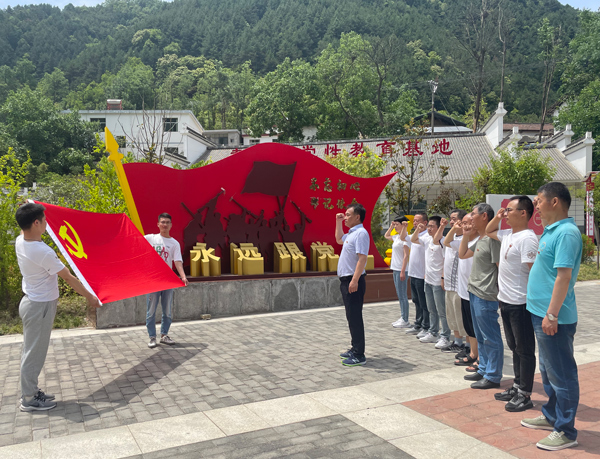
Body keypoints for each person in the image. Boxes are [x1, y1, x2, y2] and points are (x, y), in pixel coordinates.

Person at [15, 203, 100, 412]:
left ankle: (31, 391)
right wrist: (90, 297)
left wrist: (26, 208)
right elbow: (68, 278)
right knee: (34, 353)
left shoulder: (20, 241)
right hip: (40, 307)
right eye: (44, 220)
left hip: (32, 303)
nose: (47, 223)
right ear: (36, 223)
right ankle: (29, 398)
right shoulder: (42, 251)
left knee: (31, 350)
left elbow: (24, 227)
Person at [521, 183, 582, 451]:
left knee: (562, 374)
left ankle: (566, 430)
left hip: (554, 317)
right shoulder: (551, 231)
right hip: (541, 314)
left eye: (539, 200)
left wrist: (552, 314)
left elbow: (564, 276)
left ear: (554, 201)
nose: (536, 205)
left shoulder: (566, 233)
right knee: (548, 371)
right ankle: (552, 416)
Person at [486, 196, 538, 412]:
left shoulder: (528, 238)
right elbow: (488, 230)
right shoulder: (507, 234)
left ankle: (525, 394)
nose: (505, 213)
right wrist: (498, 217)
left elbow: (534, 272)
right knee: (514, 346)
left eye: (509, 210)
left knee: (524, 349)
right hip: (505, 300)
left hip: (520, 302)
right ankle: (517, 386)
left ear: (523, 213)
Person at [459, 203, 502, 390]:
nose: (471, 218)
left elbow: (501, 269)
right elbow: (462, 254)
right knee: (482, 337)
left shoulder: (493, 240)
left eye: (473, 214)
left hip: (486, 295)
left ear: (484, 216)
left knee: (490, 337)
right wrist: (465, 235)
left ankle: (493, 375)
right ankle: (483, 369)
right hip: (474, 293)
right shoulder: (481, 239)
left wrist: (500, 294)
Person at [145, 213, 188, 349]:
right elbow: (134, 241)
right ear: (158, 224)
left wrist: (183, 276)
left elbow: (178, 261)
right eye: (162, 222)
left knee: (167, 310)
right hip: (153, 281)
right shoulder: (151, 238)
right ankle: (152, 337)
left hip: (167, 281)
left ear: (171, 225)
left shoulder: (174, 243)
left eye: (167, 222)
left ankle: (164, 335)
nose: (165, 224)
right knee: (151, 311)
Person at [336, 203, 370, 366]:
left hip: (353, 280)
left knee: (355, 317)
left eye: (348, 215)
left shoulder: (361, 234)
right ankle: (354, 347)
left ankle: (359, 355)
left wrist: (354, 280)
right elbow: (338, 239)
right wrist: (338, 222)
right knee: (351, 316)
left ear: (357, 217)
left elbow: (362, 258)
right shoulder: (352, 233)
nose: (345, 217)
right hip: (347, 280)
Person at [445, 213, 480, 368]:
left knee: (476, 327)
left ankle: (479, 356)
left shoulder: (480, 241)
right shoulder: (463, 241)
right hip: (463, 291)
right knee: (469, 326)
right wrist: (455, 229)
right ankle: (472, 353)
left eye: (468, 222)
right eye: (463, 223)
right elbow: (446, 242)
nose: (465, 226)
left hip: (475, 290)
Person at [411, 216, 449, 348]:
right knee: (431, 309)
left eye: (432, 226)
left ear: (439, 227)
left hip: (438, 282)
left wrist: (443, 278)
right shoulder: (427, 239)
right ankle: (433, 332)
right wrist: (418, 229)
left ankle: (445, 336)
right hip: (428, 280)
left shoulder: (443, 242)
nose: (429, 229)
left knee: (441, 311)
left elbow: (445, 261)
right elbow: (413, 239)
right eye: (429, 226)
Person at [440, 209, 468, 353]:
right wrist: (443, 277)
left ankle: (468, 344)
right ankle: (457, 342)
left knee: (462, 316)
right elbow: (446, 259)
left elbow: (447, 242)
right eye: (450, 219)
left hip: (460, 285)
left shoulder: (465, 238)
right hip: (449, 283)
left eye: (455, 219)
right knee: (452, 316)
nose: (452, 222)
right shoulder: (452, 237)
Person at [404, 212, 430, 337]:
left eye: (417, 221)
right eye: (414, 221)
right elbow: (404, 237)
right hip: (413, 273)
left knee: (424, 302)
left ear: (425, 222)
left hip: (422, 274)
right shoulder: (415, 235)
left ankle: (426, 326)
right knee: (416, 300)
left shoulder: (427, 236)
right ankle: (418, 324)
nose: (415, 223)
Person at [384, 217, 410, 328]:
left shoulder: (406, 238)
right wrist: (390, 226)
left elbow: (406, 256)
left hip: (401, 269)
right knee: (399, 294)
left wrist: (403, 271)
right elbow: (386, 236)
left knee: (403, 295)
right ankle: (403, 317)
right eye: (394, 225)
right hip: (395, 269)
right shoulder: (397, 237)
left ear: (402, 225)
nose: (395, 226)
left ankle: (405, 319)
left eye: (397, 224)